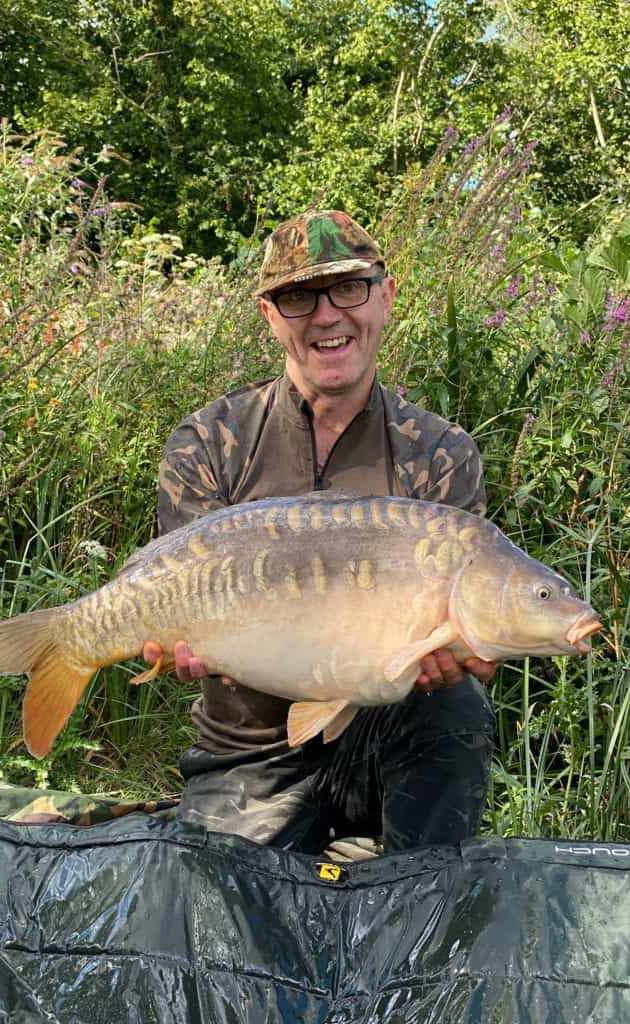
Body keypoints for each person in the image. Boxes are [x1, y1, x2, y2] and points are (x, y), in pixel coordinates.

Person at [142, 210, 497, 855]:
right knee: (231, 929)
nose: (328, 315)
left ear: (385, 297)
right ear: (270, 316)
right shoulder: (211, 443)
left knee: (457, 705)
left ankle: (415, 884)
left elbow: (466, 636)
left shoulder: (440, 452)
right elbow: (184, 610)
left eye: (349, 289)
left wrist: (460, 651)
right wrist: (183, 642)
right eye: (299, 297)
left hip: (385, 740)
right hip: (250, 751)